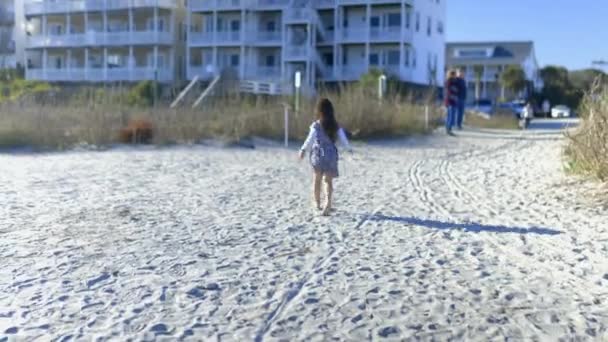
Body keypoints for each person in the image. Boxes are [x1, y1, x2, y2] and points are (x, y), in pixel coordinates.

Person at [299, 98, 352, 216]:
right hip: (331, 155)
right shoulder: (335, 125)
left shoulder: (316, 125)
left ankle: (317, 203)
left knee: (317, 180)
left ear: (319, 111)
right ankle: (328, 204)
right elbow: (343, 140)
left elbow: (310, 140)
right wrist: (349, 150)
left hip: (318, 155)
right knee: (328, 181)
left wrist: (303, 150)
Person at [444, 70, 460, 135]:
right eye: (455, 75)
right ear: (452, 75)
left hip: (452, 100)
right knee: (451, 116)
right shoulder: (449, 81)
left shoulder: (454, 82)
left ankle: (448, 129)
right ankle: (448, 129)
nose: (456, 76)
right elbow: (449, 92)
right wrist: (454, 94)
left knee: (450, 116)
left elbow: (456, 90)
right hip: (450, 101)